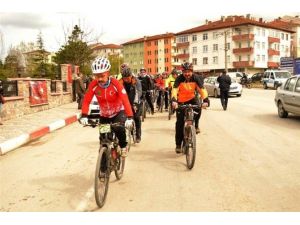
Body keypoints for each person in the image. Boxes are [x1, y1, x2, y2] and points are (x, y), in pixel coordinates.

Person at [79, 57, 134, 157]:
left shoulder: (115, 83)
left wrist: (130, 117)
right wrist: (84, 115)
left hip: (118, 112)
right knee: (103, 139)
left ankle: (123, 146)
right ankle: (103, 167)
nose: (99, 79)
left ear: (108, 73)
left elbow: (125, 100)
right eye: (96, 76)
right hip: (104, 114)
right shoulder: (93, 85)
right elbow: (86, 100)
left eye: (102, 76)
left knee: (119, 129)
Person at [171, 62, 210, 153]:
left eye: (189, 72)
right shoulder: (179, 79)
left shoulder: (196, 78)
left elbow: (202, 89)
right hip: (181, 101)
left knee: (199, 108)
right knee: (179, 123)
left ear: (192, 71)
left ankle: (195, 125)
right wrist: (174, 100)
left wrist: (206, 100)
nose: (187, 74)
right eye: (185, 72)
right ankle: (178, 144)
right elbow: (174, 90)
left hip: (192, 99)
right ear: (182, 72)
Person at [119, 67, 143, 143]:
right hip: (125, 102)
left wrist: (135, 103)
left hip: (135, 101)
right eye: (124, 78)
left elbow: (138, 92)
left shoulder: (136, 81)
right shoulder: (120, 82)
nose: (126, 80)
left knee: (136, 117)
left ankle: (138, 135)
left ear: (131, 76)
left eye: (127, 78)